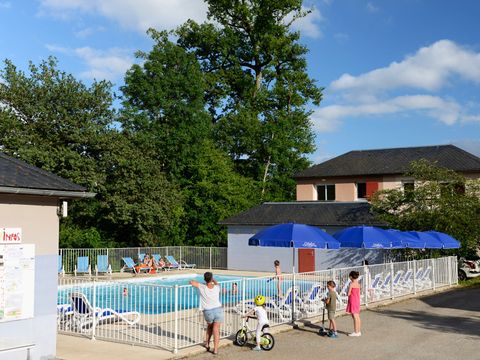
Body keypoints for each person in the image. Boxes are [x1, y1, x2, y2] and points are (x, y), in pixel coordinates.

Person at [190, 272, 223, 355]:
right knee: (216, 330)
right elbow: (217, 284)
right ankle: (215, 350)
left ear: (204, 279)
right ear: (211, 279)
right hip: (218, 310)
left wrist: (200, 282)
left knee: (209, 327)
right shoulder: (216, 287)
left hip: (208, 311)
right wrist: (214, 280)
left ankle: (207, 344)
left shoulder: (202, 287)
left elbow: (191, 282)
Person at [346, 270, 361, 336]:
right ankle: (358, 331)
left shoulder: (351, 284)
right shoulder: (358, 284)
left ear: (351, 277)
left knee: (354, 316)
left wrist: (347, 291)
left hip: (352, 300)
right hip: (357, 300)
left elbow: (348, 293)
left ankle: (356, 332)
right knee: (357, 316)